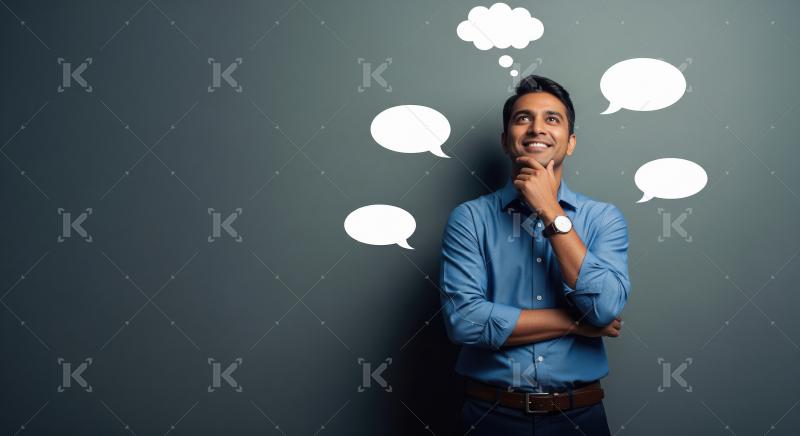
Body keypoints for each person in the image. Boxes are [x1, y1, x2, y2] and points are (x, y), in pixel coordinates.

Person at [439, 75, 631, 435]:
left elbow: (604, 308)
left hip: (580, 419)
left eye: (552, 119)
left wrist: (550, 211)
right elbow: (464, 320)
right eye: (523, 118)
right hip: (490, 417)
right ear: (505, 140)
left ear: (570, 143)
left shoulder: (604, 219)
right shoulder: (470, 219)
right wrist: (576, 323)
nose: (537, 128)